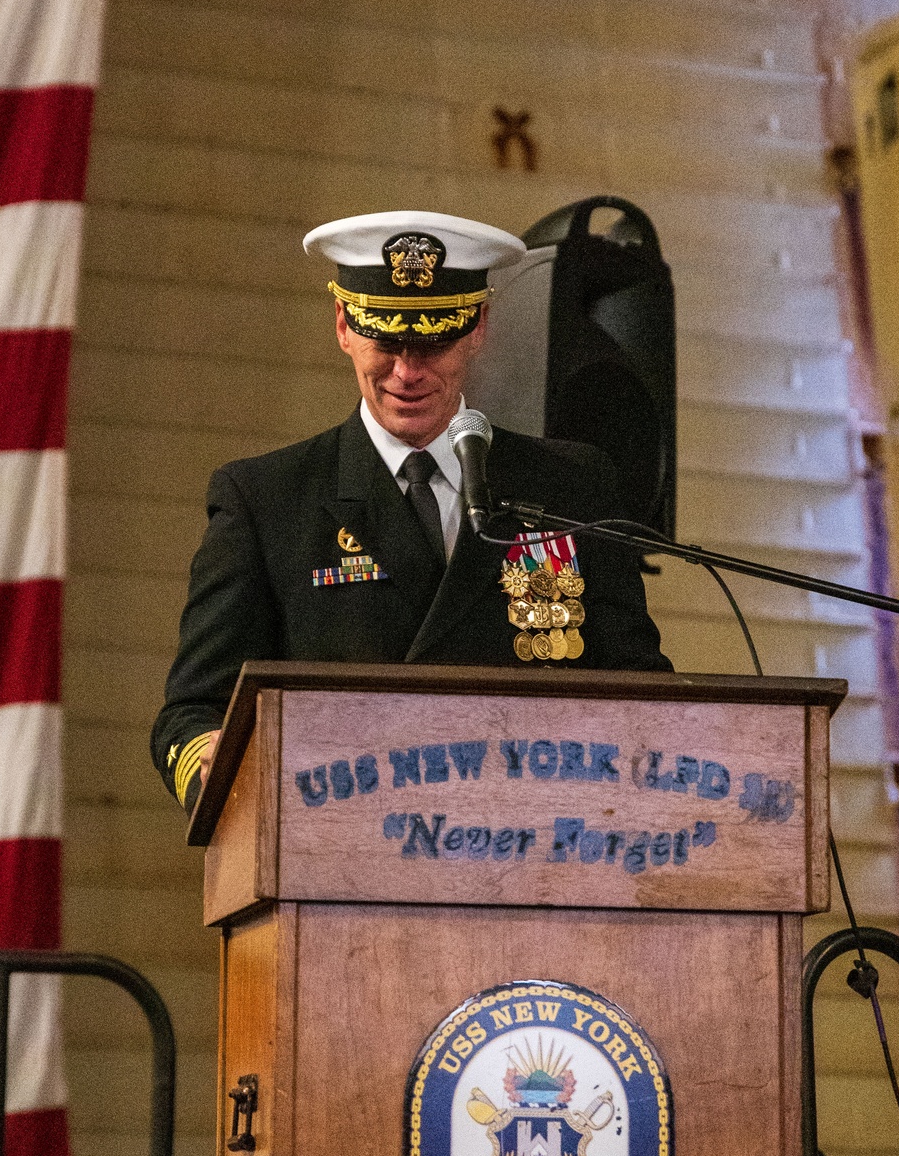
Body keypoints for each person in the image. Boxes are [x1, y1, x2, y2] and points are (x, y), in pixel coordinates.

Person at [151, 210, 671, 812]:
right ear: (344, 325)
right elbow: (193, 710)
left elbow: (639, 686)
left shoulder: (570, 486)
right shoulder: (268, 500)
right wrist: (210, 756)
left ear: (479, 327)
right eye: (386, 340)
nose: (407, 371)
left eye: (433, 342)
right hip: (340, 849)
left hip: (538, 837)